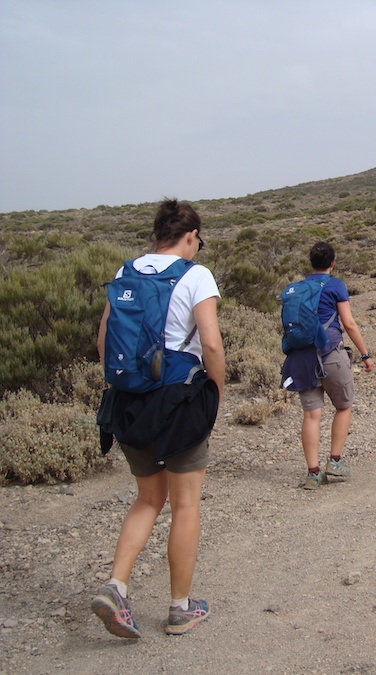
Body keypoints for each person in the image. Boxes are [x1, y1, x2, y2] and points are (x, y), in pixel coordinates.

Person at [92, 198, 225, 638]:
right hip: (178, 402)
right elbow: (211, 345)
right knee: (185, 505)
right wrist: (215, 395)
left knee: (148, 499)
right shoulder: (196, 275)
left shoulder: (125, 272)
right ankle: (180, 608)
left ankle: (116, 586)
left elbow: (104, 338)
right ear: (190, 236)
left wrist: (126, 383)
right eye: (197, 241)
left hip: (128, 399)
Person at [281, 241, 374, 490]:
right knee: (344, 406)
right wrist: (365, 355)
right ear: (332, 263)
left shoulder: (297, 288)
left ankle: (313, 473)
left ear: (311, 263)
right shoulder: (335, 285)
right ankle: (335, 461)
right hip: (331, 353)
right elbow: (349, 323)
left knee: (312, 415)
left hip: (301, 357)